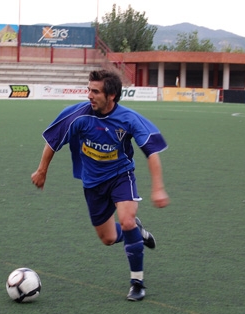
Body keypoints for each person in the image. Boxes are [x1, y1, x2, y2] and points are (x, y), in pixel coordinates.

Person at [31, 70, 169, 301]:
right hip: (93, 183)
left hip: (120, 176)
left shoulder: (128, 119)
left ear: (111, 95)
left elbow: (151, 152)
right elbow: (53, 142)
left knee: (126, 220)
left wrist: (158, 187)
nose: (89, 96)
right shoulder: (78, 115)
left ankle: (137, 282)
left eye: (95, 91)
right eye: (88, 90)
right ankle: (137, 232)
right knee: (107, 238)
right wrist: (42, 170)